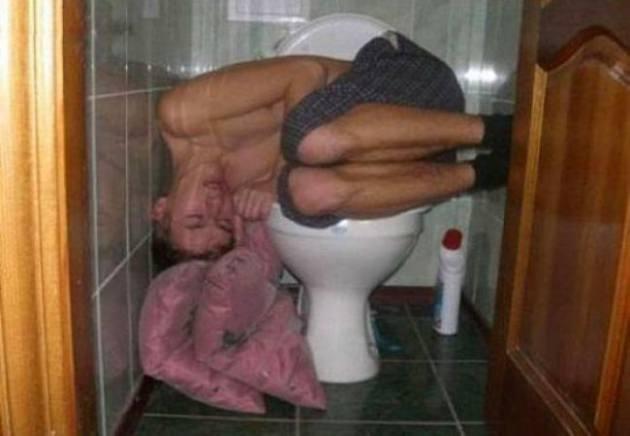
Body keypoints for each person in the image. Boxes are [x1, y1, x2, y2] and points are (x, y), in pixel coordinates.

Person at [151, 32, 512, 267]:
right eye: (223, 221)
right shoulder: (238, 188)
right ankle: (486, 173)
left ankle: (498, 130)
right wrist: (271, 189)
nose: (215, 204)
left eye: (196, 218)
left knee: (309, 143)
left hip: (415, 85)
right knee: (308, 192)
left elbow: (305, 71)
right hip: (420, 150)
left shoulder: (184, 114)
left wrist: (275, 176)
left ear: (162, 209)